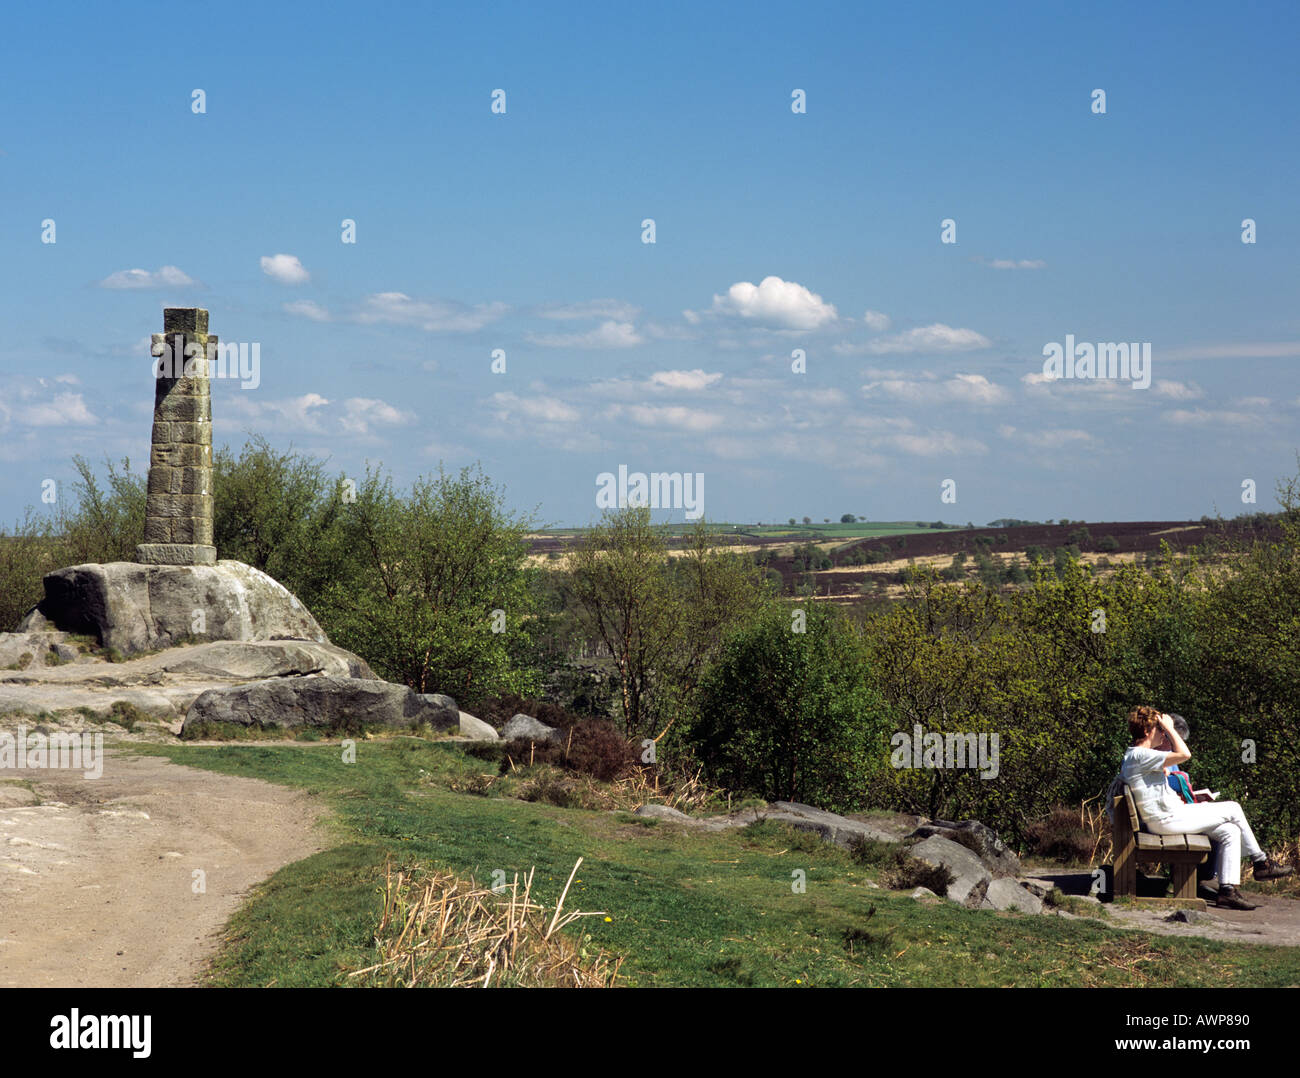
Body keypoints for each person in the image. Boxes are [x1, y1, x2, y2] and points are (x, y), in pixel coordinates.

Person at [1120, 705, 1293, 910]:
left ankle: (1227, 890)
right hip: (1167, 820)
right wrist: (1171, 728)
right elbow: (1185, 754)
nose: (1163, 734)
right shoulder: (1141, 755)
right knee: (1233, 808)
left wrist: (1161, 772)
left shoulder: (1138, 755)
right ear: (1148, 731)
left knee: (1230, 830)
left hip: (1168, 816)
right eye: (1160, 730)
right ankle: (1261, 862)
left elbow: (1149, 775)